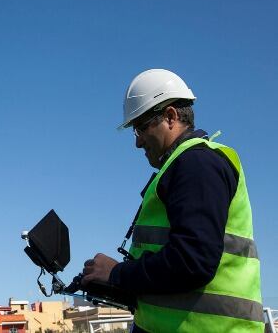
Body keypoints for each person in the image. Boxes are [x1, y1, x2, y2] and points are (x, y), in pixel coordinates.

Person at [81, 69, 263, 332]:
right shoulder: (183, 166)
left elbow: (193, 261)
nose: (138, 142)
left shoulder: (197, 164)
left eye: (141, 128)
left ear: (170, 116)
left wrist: (116, 273)